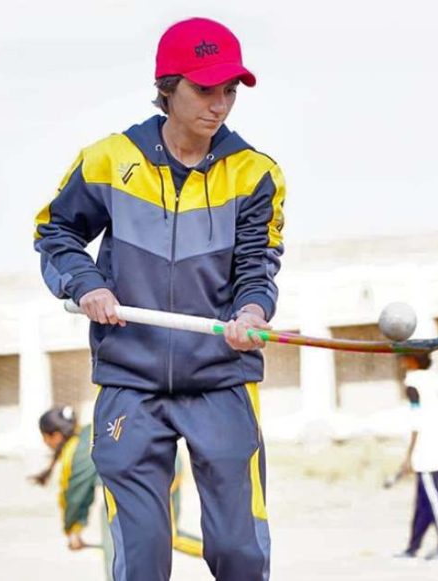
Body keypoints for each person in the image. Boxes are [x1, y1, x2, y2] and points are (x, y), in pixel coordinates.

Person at [32, 18, 284, 580]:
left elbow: (258, 268)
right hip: (130, 382)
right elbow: (56, 233)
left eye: (230, 91)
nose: (219, 105)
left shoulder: (255, 174)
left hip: (221, 378)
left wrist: (251, 312)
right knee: (142, 558)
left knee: (240, 551)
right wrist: (86, 283)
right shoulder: (108, 161)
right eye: (204, 89)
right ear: (167, 86)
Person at [30, 405, 203, 562]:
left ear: (55, 435)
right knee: (145, 536)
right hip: (163, 462)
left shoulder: (76, 451)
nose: (45, 443)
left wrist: (73, 530)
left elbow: (73, 495)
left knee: (167, 536)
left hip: (158, 467)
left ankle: (226, 555)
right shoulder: (86, 434)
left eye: (44, 438)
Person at [394, 353, 438, 560]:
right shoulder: (436, 379)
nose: (402, 362)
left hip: (426, 450)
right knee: (423, 501)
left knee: (435, 500)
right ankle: (412, 548)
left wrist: (409, 456)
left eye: (405, 358)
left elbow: (416, 420)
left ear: (413, 361)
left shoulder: (412, 382)